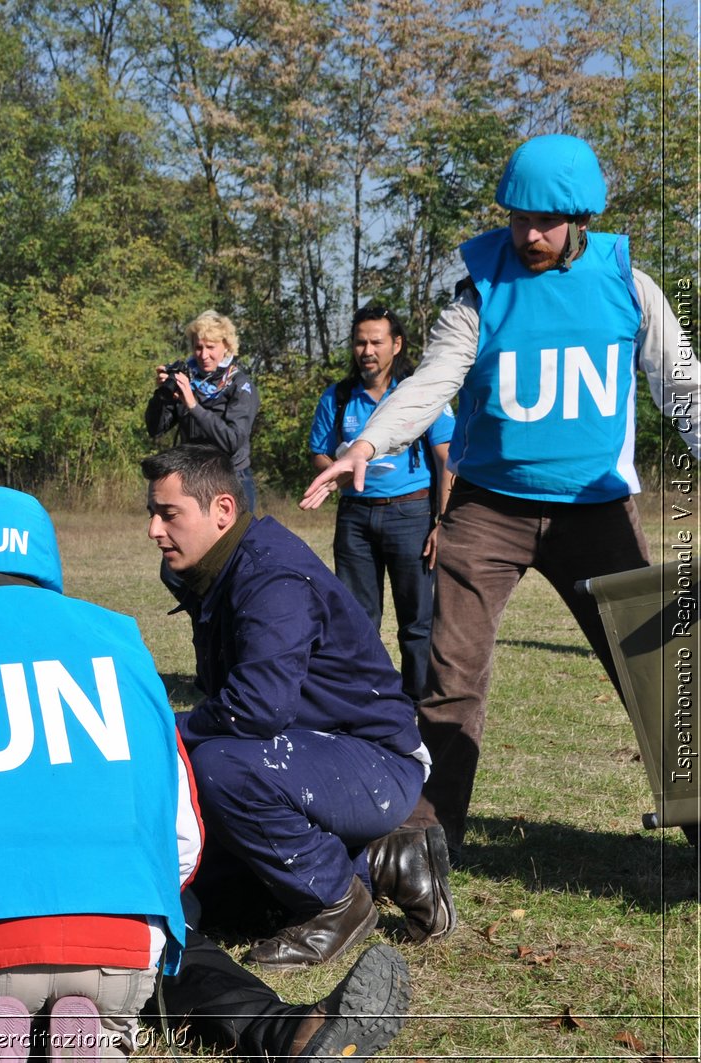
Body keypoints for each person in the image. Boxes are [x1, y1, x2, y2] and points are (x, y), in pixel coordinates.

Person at [0, 487, 411, 1062]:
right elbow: (183, 833)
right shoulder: (122, 645)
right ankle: (273, 1029)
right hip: (124, 948)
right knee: (174, 946)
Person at [302, 134, 700, 862]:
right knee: (450, 677)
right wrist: (367, 443)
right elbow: (430, 383)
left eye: (546, 222)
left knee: (659, 674)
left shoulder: (628, 282)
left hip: (597, 509)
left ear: (580, 216)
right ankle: (422, 846)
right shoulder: (478, 292)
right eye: (518, 219)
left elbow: (684, 387)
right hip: (488, 511)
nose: (530, 235)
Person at [145, 446, 448, 966]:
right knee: (214, 897)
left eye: (169, 514)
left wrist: (164, 730)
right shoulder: (216, 567)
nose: (154, 529)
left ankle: (337, 900)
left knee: (215, 766)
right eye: (152, 513)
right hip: (311, 756)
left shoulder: (270, 575)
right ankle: (386, 861)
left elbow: (256, 709)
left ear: (221, 510)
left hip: (376, 760)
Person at [309, 305, 453, 700]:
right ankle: (364, 700)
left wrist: (444, 522)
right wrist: (337, 466)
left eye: (376, 341)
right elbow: (319, 453)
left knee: (418, 622)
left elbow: (447, 458)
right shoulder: (337, 397)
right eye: (360, 342)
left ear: (396, 344)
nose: (367, 350)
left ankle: (421, 703)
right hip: (355, 518)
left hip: (412, 515)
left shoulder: (421, 395)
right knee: (356, 619)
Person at [145, 311, 260, 513]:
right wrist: (161, 396)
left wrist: (193, 406)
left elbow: (232, 441)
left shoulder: (240, 385)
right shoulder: (187, 379)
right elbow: (155, 428)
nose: (203, 355)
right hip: (193, 476)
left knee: (236, 543)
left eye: (211, 347)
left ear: (226, 346)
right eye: (198, 347)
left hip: (232, 477)